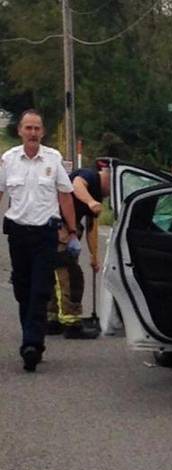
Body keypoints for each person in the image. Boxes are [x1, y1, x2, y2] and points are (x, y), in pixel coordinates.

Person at [0, 109, 78, 371]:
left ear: (42, 132)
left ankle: (31, 344)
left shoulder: (53, 159)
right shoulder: (8, 160)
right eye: (28, 128)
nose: (32, 133)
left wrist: (72, 230)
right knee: (23, 290)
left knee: (40, 290)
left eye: (37, 128)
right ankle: (32, 340)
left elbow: (65, 195)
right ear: (20, 131)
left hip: (46, 234)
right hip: (19, 234)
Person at [47, 160, 110, 339]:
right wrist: (90, 202)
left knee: (64, 275)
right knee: (65, 276)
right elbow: (76, 185)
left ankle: (54, 319)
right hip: (58, 227)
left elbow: (92, 225)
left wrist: (94, 256)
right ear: (107, 176)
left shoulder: (98, 192)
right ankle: (70, 322)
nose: (111, 192)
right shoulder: (89, 176)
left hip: (69, 231)